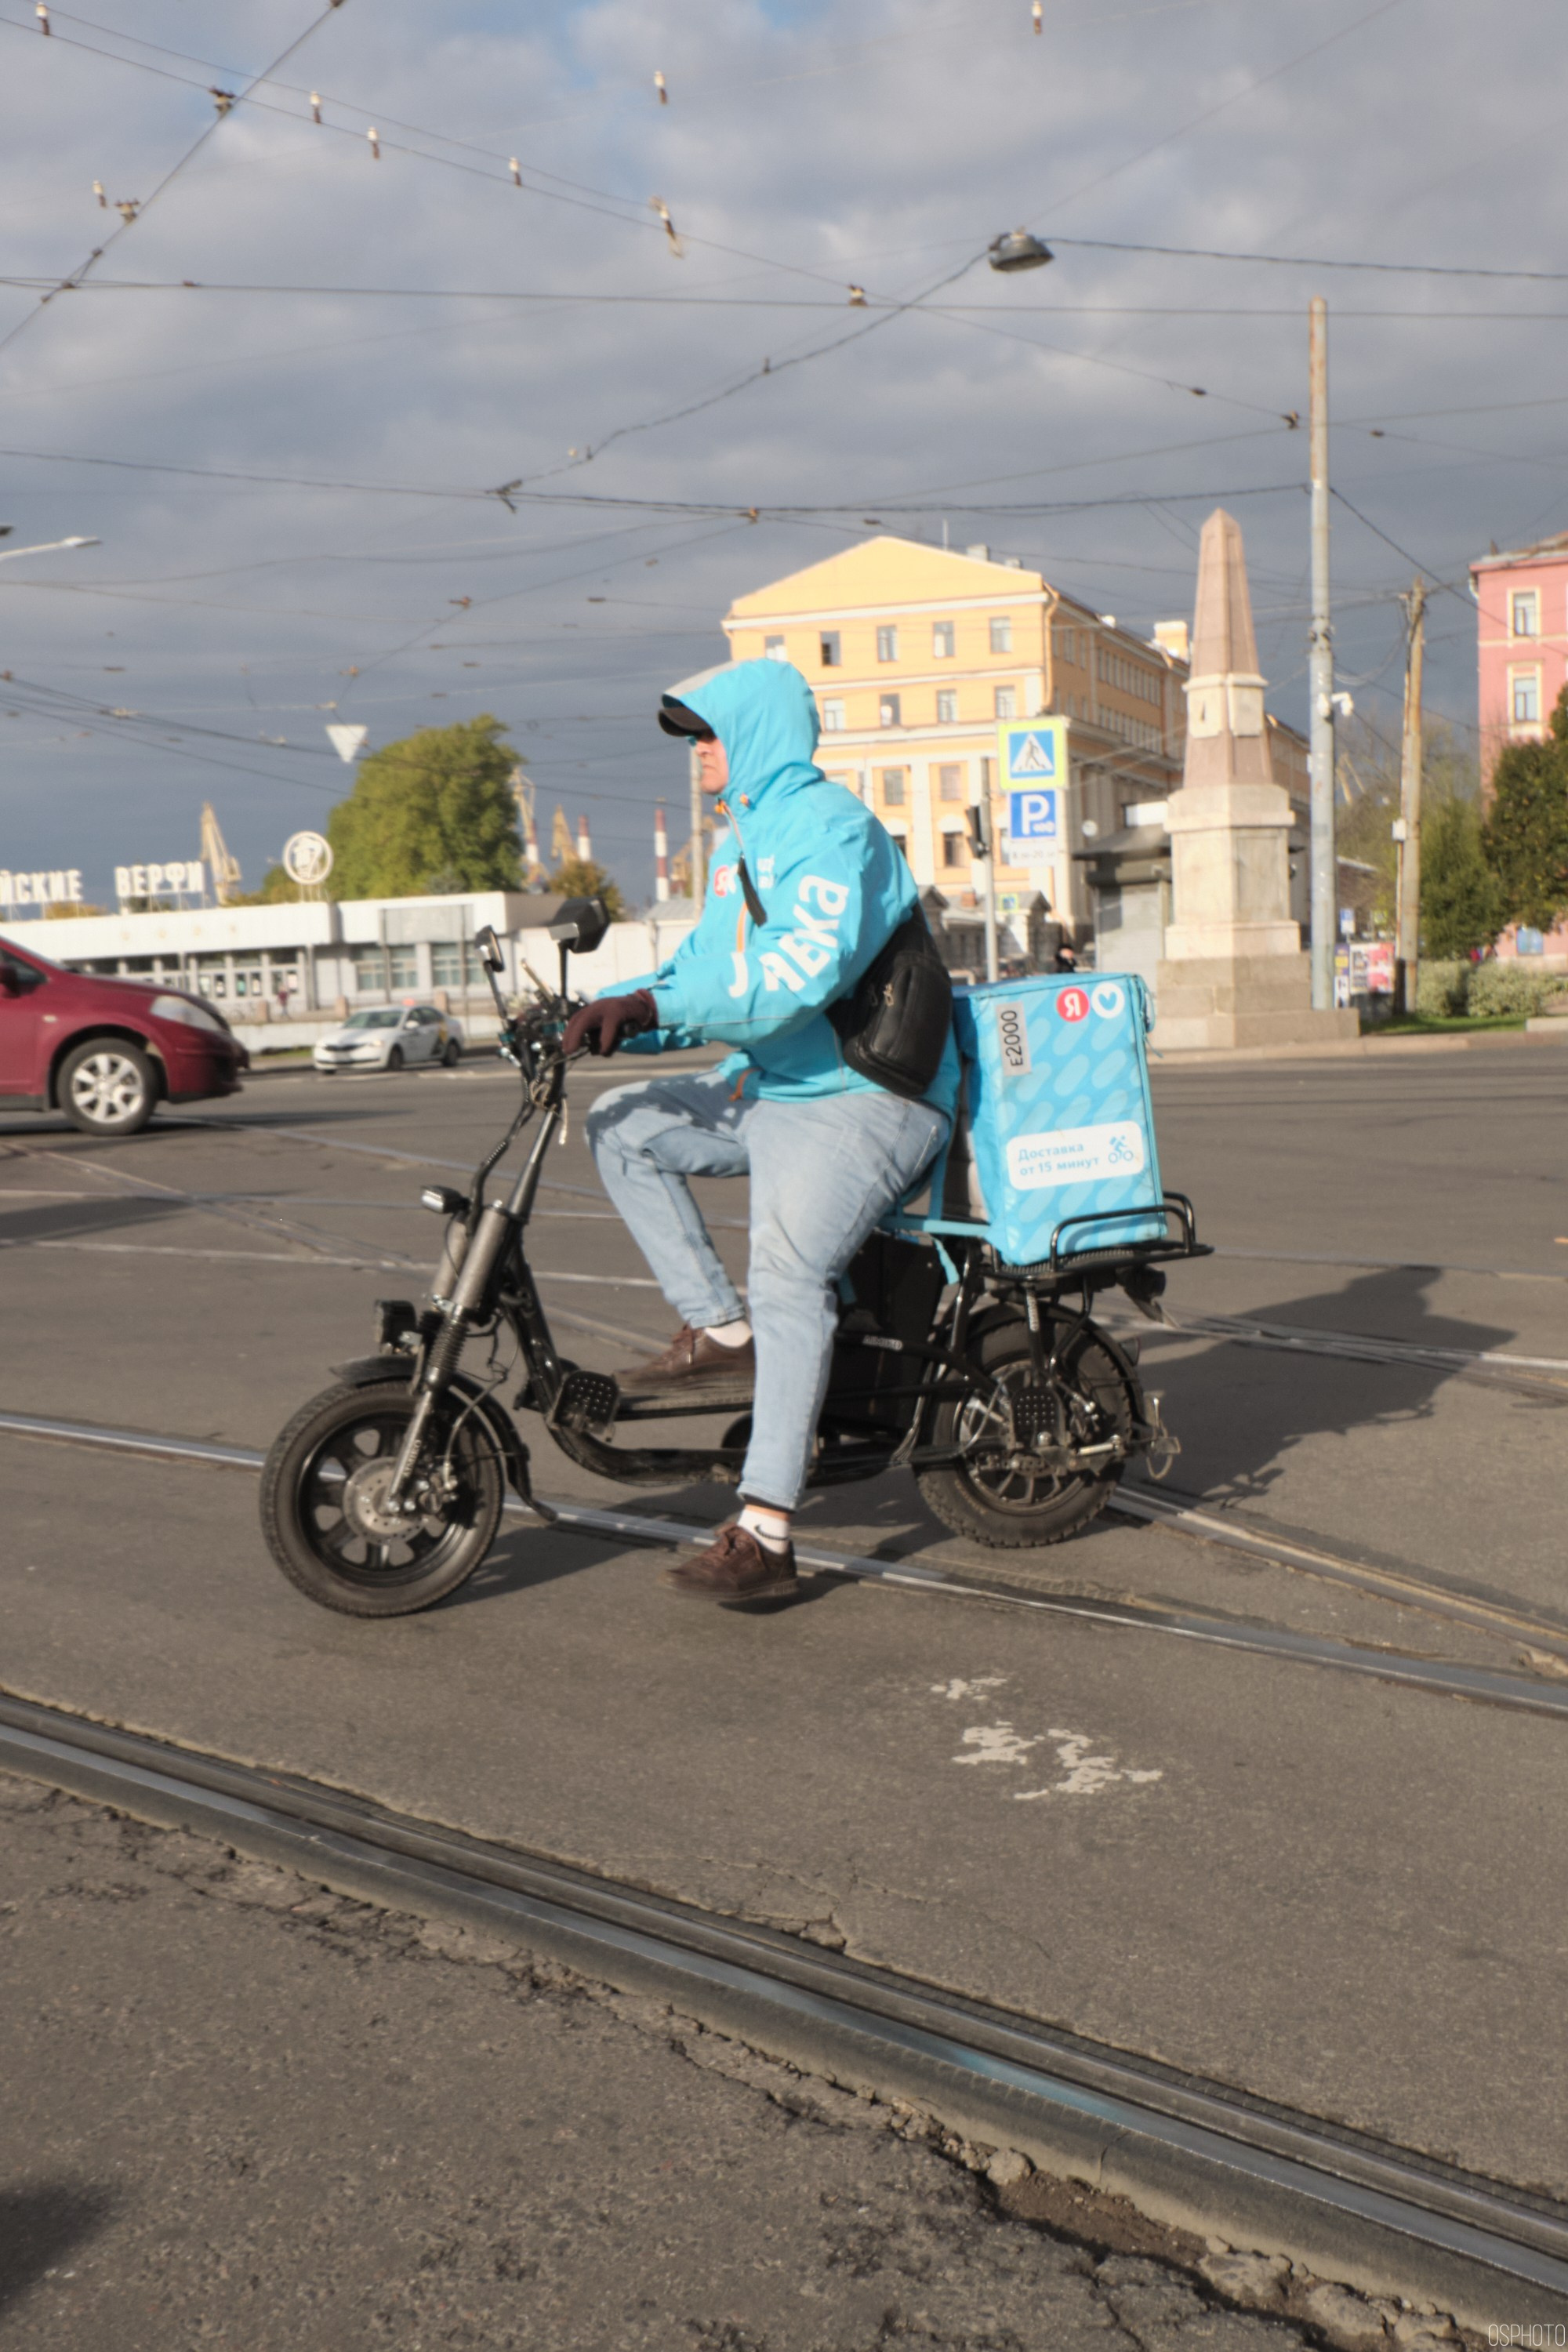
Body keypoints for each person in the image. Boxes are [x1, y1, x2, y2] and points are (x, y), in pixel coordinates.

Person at [568, 658, 959, 1606]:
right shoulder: (738, 844)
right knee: (621, 1122)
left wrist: (654, 999)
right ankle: (721, 1331)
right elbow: (705, 967)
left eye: (707, 734)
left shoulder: (831, 830)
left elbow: (798, 974)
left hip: (865, 1093)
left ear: (752, 737)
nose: (697, 752)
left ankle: (767, 1530)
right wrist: (605, 1012)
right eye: (692, 738)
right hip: (777, 1084)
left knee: (788, 1273)